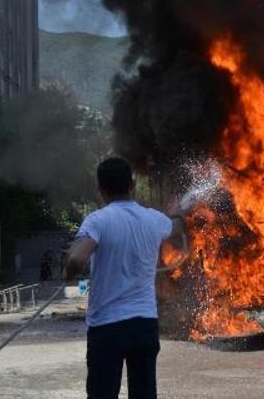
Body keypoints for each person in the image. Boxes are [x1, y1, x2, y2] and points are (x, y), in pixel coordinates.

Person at [66, 157, 187, 399]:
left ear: (100, 189)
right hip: (144, 324)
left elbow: (77, 259)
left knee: (102, 393)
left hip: (106, 326)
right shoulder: (154, 219)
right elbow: (173, 228)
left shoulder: (98, 220)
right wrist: (176, 215)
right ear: (132, 185)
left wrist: (68, 272)